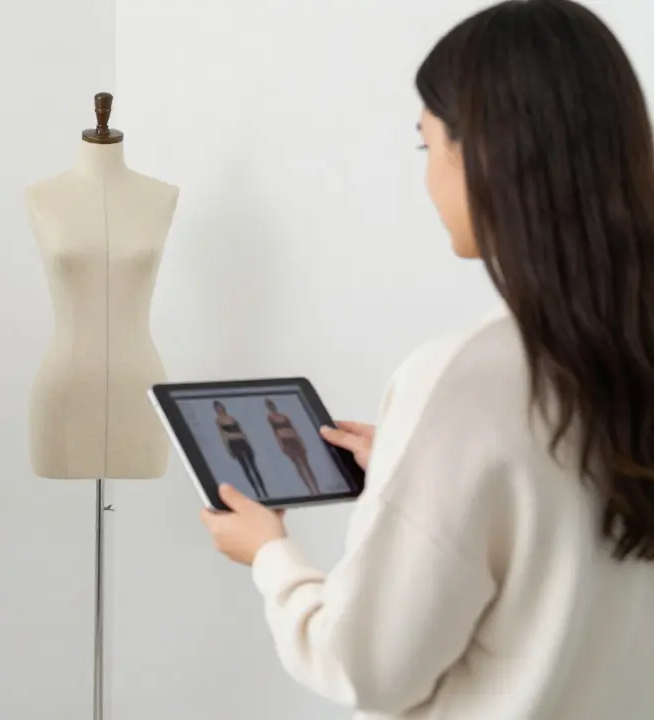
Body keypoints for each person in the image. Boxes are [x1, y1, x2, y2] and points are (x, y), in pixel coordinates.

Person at [199, 1, 654, 718]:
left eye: (427, 145)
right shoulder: (626, 354)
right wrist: (428, 473)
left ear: (486, 153)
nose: (428, 176)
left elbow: (365, 667)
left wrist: (271, 556)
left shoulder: (465, 380)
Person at [264, 397, 318, 494]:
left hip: (294, 439)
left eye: (272, 404)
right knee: (298, 465)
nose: (271, 407)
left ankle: (316, 487)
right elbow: (275, 432)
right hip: (286, 441)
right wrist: (281, 445)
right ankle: (309, 488)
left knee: (306, 464)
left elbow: (294, 429)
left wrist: (301, 442)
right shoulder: (270, 418)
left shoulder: (284, 416)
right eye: (269, 405)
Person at [213, 401, 267, 498]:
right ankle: (257, 491)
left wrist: (249, 444)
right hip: (234, 444)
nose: (220, 409)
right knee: (246, 468)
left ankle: (264, 490)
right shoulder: (219, 420)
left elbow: (242, 431)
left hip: (242, 441)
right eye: (217, 408)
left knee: (254, 467)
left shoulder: (232, 418)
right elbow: (223, 435)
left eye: (220, 407)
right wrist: (228, 449)